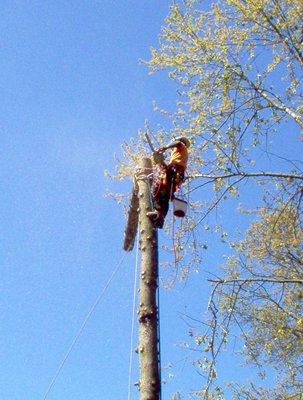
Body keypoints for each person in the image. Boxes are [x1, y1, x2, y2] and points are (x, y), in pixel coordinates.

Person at [148, 136, 190, 228]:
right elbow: (169, 168)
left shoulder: (181, 145)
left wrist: (165, 147)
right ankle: (159, 217)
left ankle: (158, 214)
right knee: (164, 194)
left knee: (159, 189)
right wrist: (160, 162)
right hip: (175, 174)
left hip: (175, 172)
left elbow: (177, 143)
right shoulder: (179, 155)